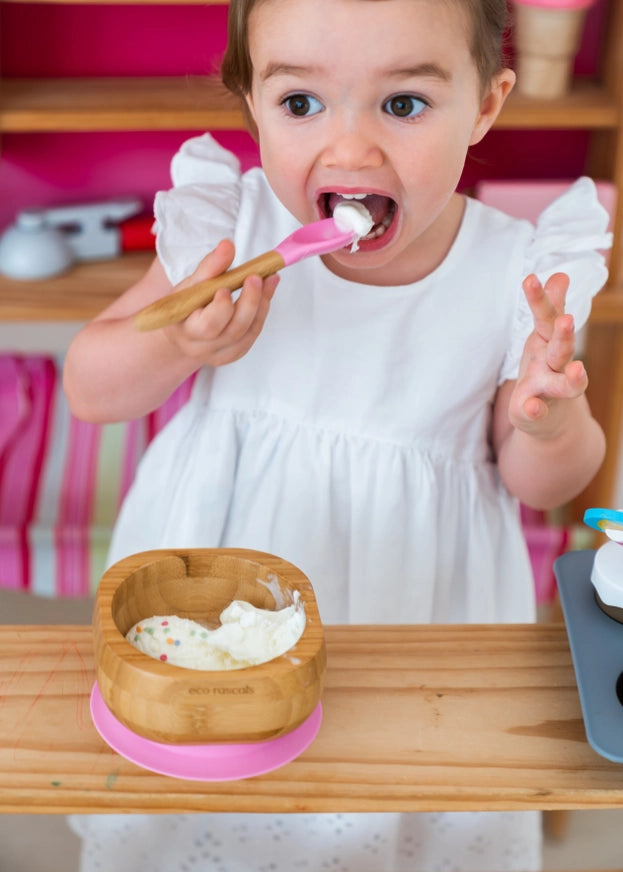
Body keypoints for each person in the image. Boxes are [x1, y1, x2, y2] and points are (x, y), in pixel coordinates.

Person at [64, 0, 611, 869]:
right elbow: (90, 389)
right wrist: (174, 341)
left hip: (419, 600)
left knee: (389, 798)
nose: (350, 151)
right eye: (300, 104)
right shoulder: (228, 231)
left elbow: (542, 484)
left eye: (402, 105)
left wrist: (549, 419)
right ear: (250, 101)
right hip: (217, 575)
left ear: (486, 104)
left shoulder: (516, 268)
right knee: (204, 798)